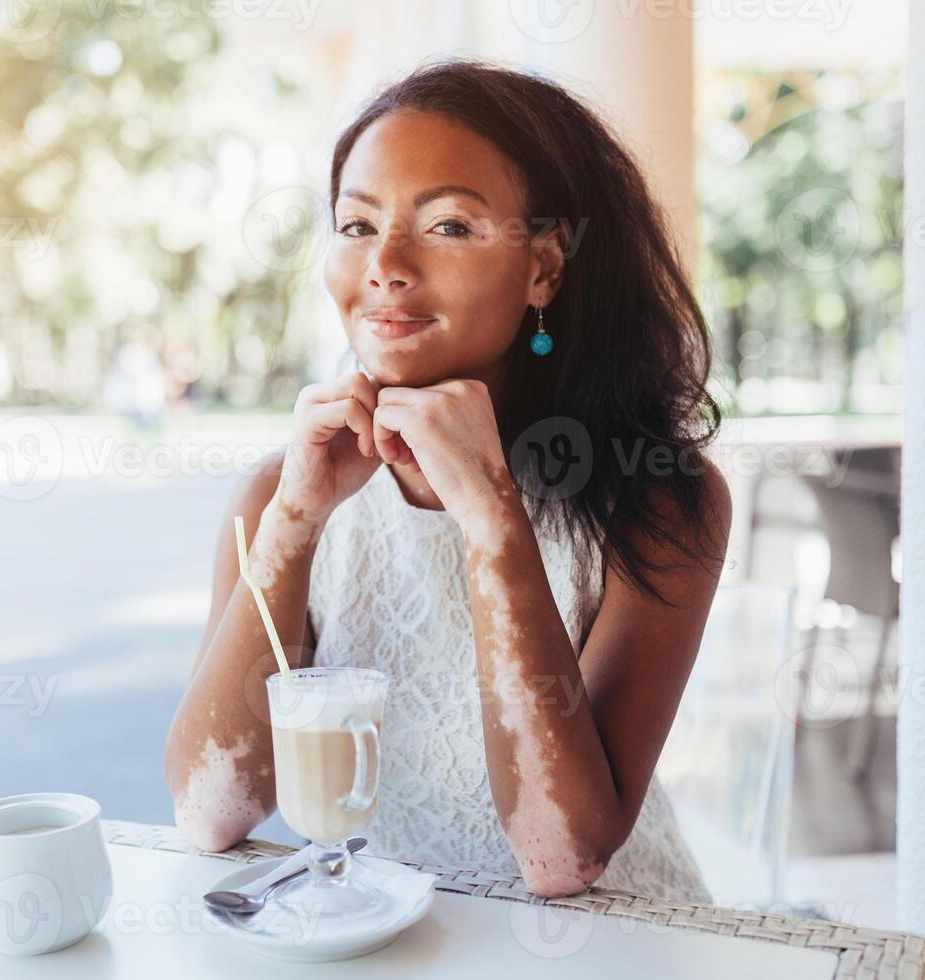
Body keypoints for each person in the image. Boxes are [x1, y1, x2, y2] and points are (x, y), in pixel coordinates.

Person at [164, 58, 731, 902]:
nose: (385, 265)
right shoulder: (280, 497)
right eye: (357, 226)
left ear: (544, 269)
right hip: (389, 939)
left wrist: (493, 519)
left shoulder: (657, 502)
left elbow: (561, 857)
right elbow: (211, 813)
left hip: (609, 947)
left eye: (450, 227)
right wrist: (295, 518)